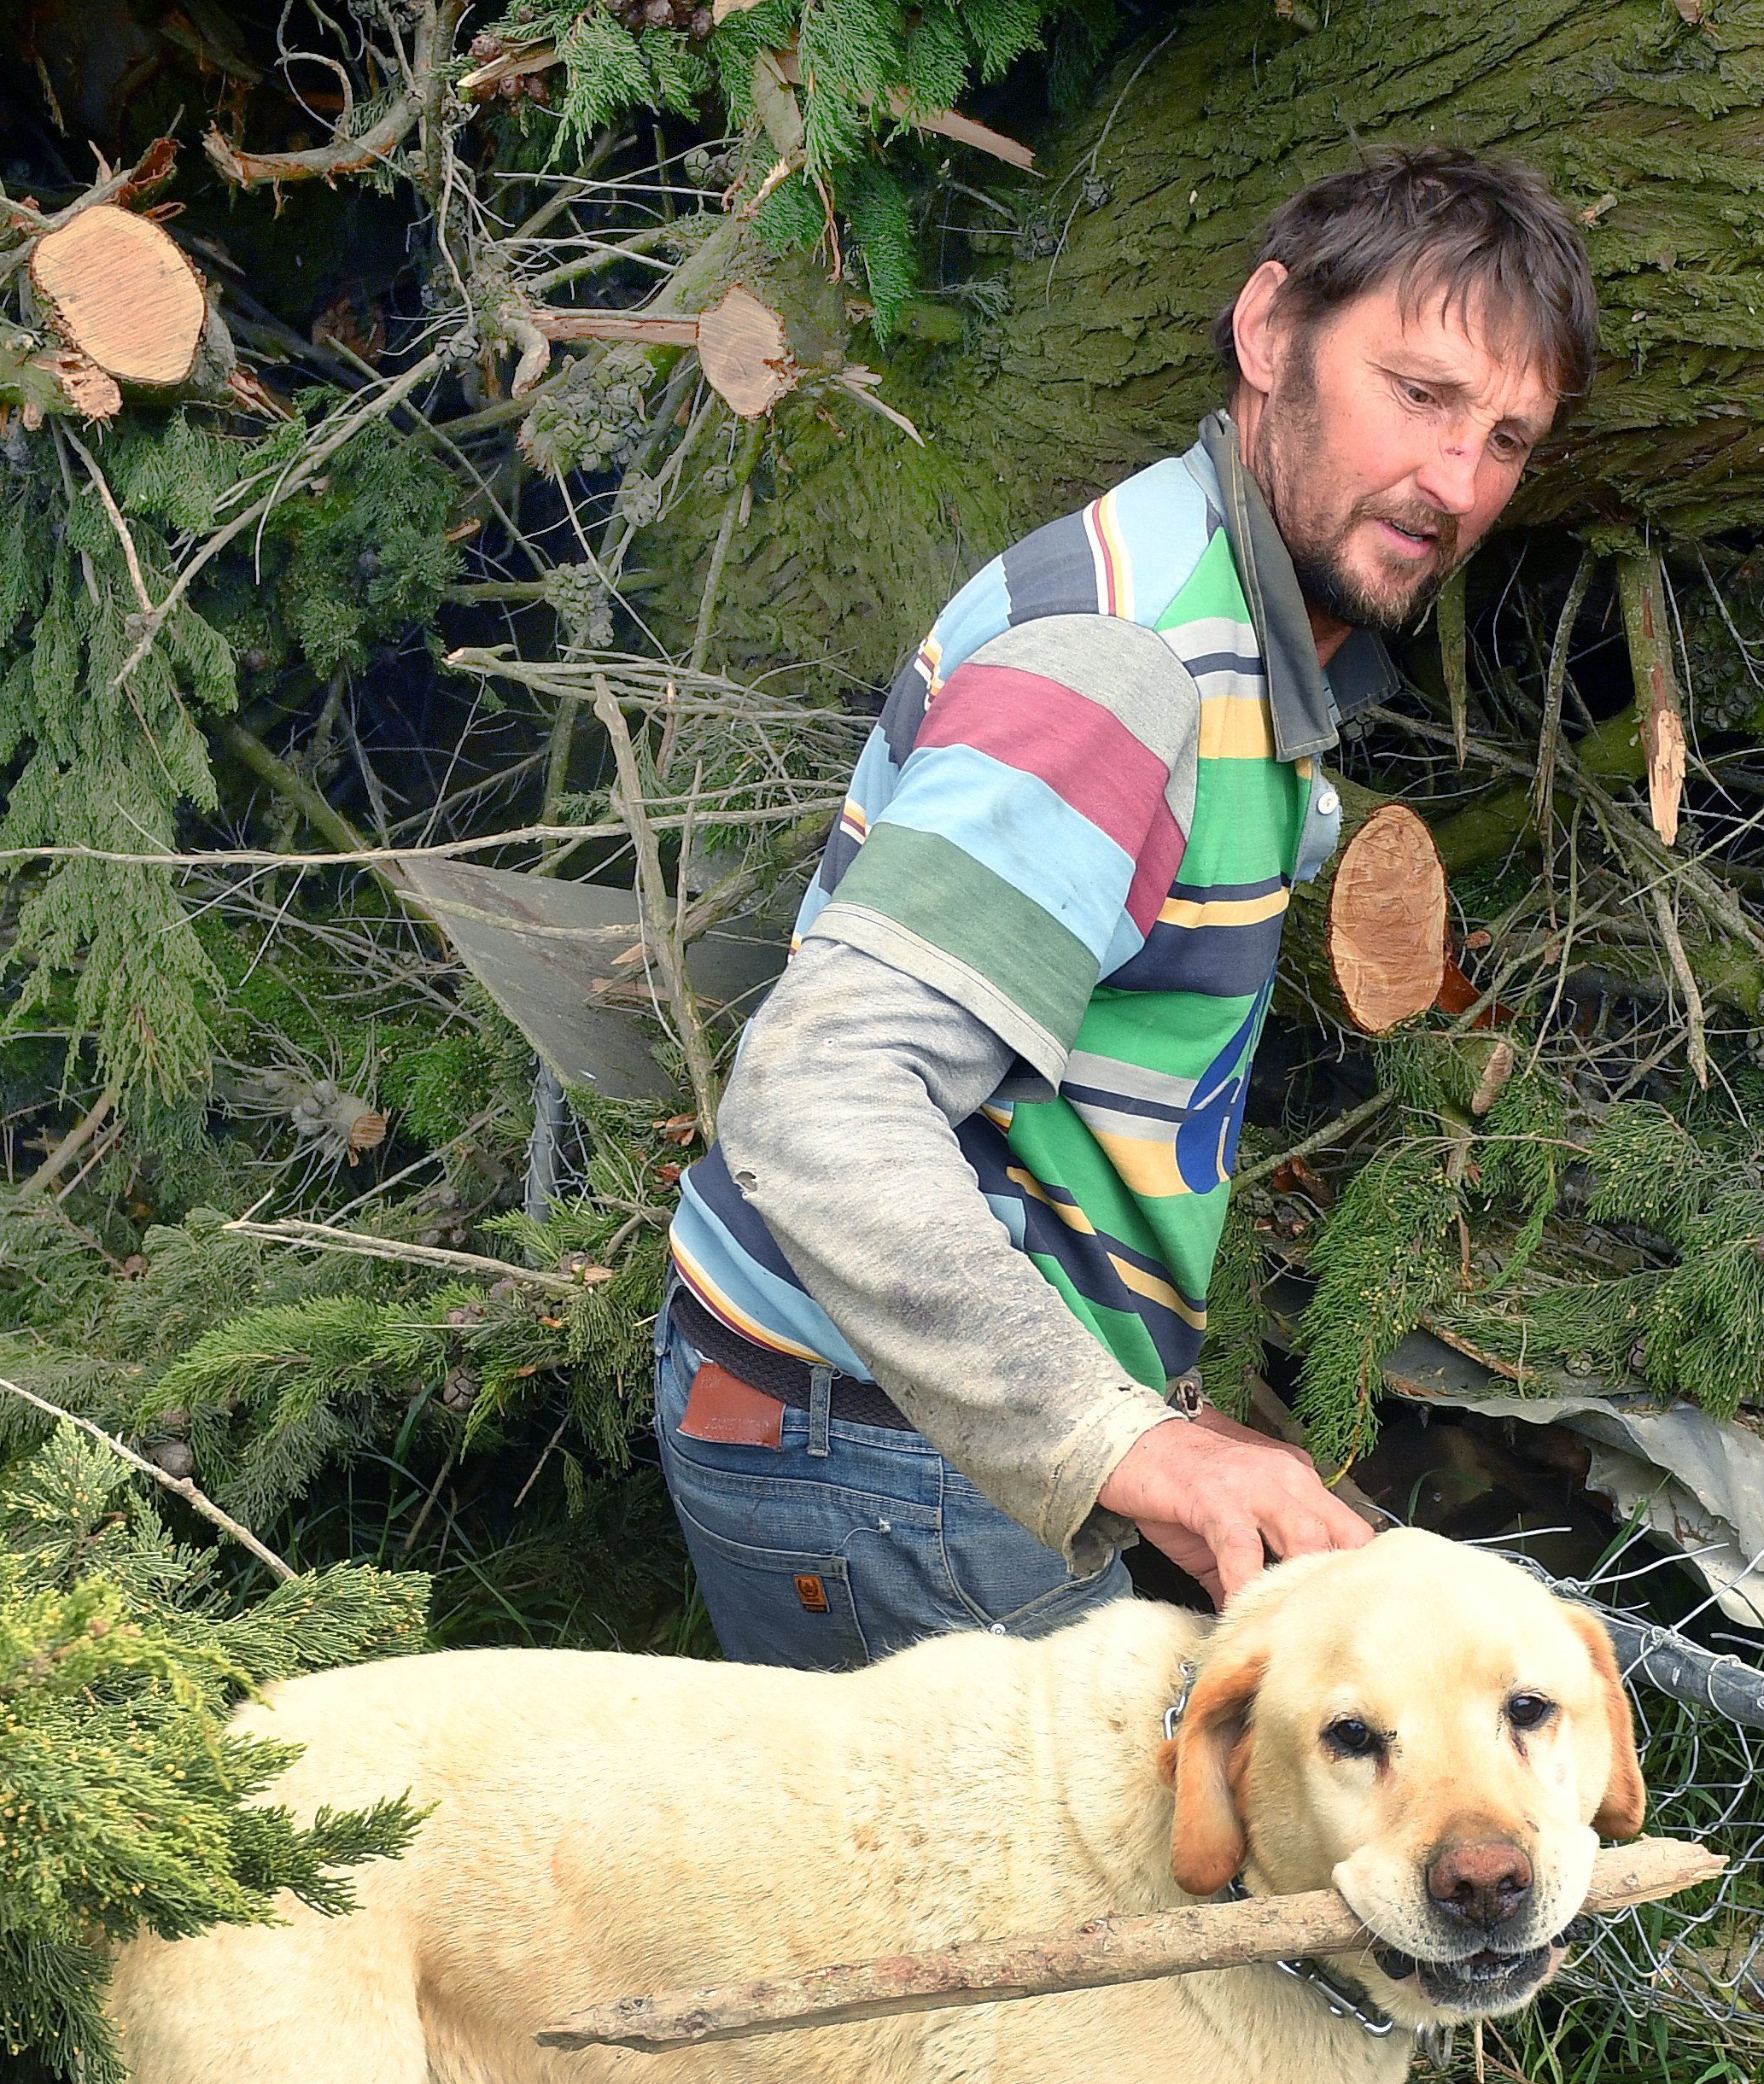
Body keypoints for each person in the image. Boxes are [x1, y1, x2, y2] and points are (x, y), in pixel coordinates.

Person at [655, 149, 1597, 1667]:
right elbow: (819, 1098)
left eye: (1506, 438)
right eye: (1418, 395)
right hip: (875, 1450)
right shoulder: (1125, 665)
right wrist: (1122, 1442)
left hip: (906, 1423)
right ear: (1268, 328)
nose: (1459, 485)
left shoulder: (1235, 611)